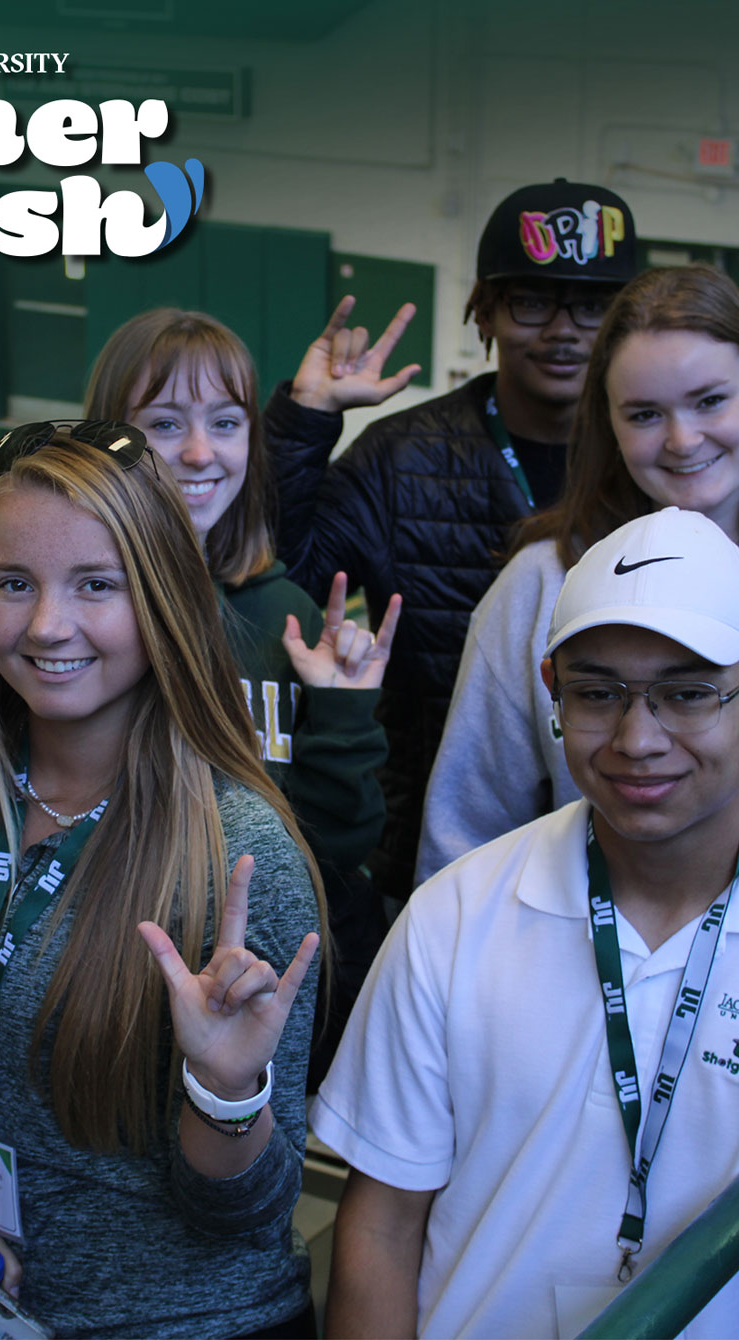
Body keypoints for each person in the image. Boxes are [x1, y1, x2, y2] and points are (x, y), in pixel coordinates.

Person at [0, 425, 325, 1340]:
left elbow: (247, 1214)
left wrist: (224, 1092)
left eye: (97, 585)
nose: (47, 625)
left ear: (162, 598)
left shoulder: (240, 853)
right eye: (14, 583)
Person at [0, 310, 399, 1059]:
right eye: (166, 422)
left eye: (226, 421)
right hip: (43, 1000)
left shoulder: (285, 617)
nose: (200, 451)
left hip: (222, 1006)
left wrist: (342, 712)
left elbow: (328, 850)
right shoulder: (5, 635)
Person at [316, 506, 739, 1338]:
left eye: (688, 693)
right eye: (597, 692)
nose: (637, 738)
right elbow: (383, 1224)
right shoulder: (459, 915)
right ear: (550, 690)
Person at [268, 178, 638, 901]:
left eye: (593, 306)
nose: (563, 330)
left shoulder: (657, 463)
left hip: (622, 835)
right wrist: (305, 422)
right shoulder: (399, 454)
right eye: (532, 301)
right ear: (486, 310)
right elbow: (286, 580)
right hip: (422, 842)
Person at [418, 264, 739, 883]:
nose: (681, 439)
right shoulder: (544, 580)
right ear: (608, 423)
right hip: (576, 954)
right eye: (644, 414)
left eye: (710, 401)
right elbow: (464, 835)